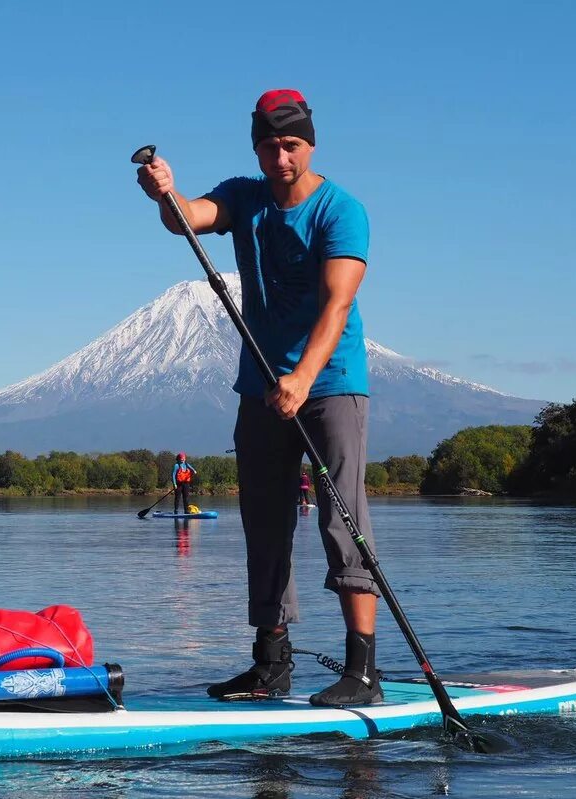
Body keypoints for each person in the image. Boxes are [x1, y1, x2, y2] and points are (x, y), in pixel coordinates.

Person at [136, 89, 382, 707]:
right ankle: (271, 664)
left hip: (330, 388)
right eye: (270, 147)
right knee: (264, 524)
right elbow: (185, 218)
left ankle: (362, 672)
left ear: (311, 144)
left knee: (339, 519)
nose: (281, 159)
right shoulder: (244, 196)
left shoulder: (340, 211)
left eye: (292, 146)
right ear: (256, 147)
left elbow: (338, 304)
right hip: (261, 390)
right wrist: (164, 190)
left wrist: (301, 378)